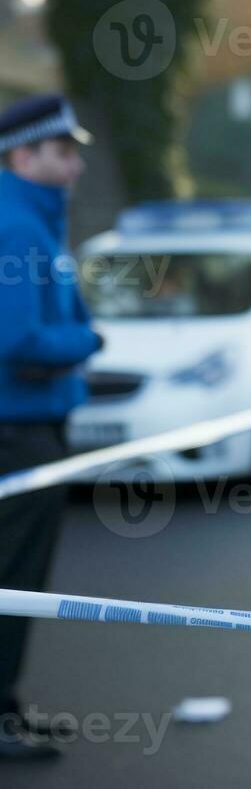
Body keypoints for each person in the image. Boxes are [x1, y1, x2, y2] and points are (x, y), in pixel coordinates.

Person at [0, 93, 102, 763]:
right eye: (62, 152)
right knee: (13, 580)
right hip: (17, 432)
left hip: (32, 426)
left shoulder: (32, 221)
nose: (75, 167)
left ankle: (6, 708)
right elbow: (20, 339)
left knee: (19, 581)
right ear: (22, 154)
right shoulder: (15, 227)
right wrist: (87, 341)